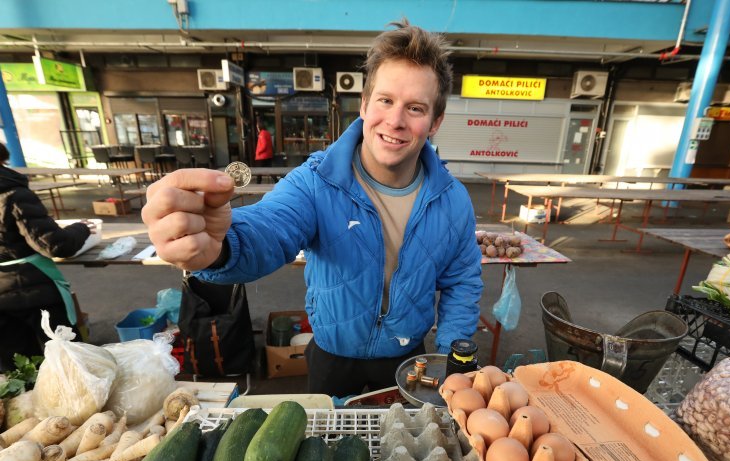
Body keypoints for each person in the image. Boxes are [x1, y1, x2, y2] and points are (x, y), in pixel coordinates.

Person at [142, 19, 483, 397]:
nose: (396, 120)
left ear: (435, 122)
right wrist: (221, 246)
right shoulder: (317, 181)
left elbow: (462, 283)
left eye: (415, 108)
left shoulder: (452, 200)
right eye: (385, 100)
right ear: (365, 105)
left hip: (408, 361)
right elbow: (270, 228)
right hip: (331, 357)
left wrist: (454, 359)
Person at [0, 143, 95, 371]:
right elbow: (55, 244)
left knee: (18, 373)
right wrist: (82, 228)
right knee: (68, 365)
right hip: (36, 295)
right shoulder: (13, 193)